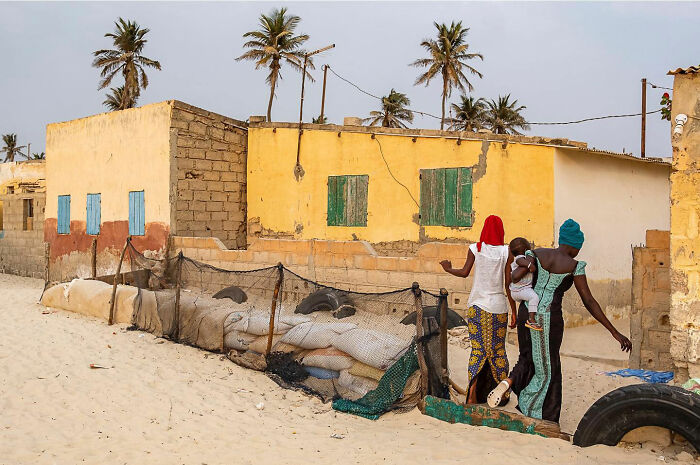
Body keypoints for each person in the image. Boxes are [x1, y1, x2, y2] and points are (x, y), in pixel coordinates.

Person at [486, 219, 632, 422]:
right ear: (575, 245)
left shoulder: (535, 254)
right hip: (549, 318)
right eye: (579, 246)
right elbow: (588, 300)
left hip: (526, 311)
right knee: (550, 366)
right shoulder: (575, 266)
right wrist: (615, 332)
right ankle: (546, 416)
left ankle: (508, 383)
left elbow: (514, 278)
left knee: (526, 357)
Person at [440, 215, 516, 404]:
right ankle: (501, 395)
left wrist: (448, 269)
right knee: (498, 351)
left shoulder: (476, 248)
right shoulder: (507, 252)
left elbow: (464, 272)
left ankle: (472, 395)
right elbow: (508, 283)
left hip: (477, 308)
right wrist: (514, 311)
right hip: (498, 308)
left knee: (478, 350)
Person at [509, 237, 541, 331]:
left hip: (516, 291)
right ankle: (531, 320)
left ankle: (531, 313)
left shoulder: (521, 259)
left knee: (530, 302)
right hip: (521, 289)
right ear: (526, 250)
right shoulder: (520, 258)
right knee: (534, 298)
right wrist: (530, 265)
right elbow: (520, 261)